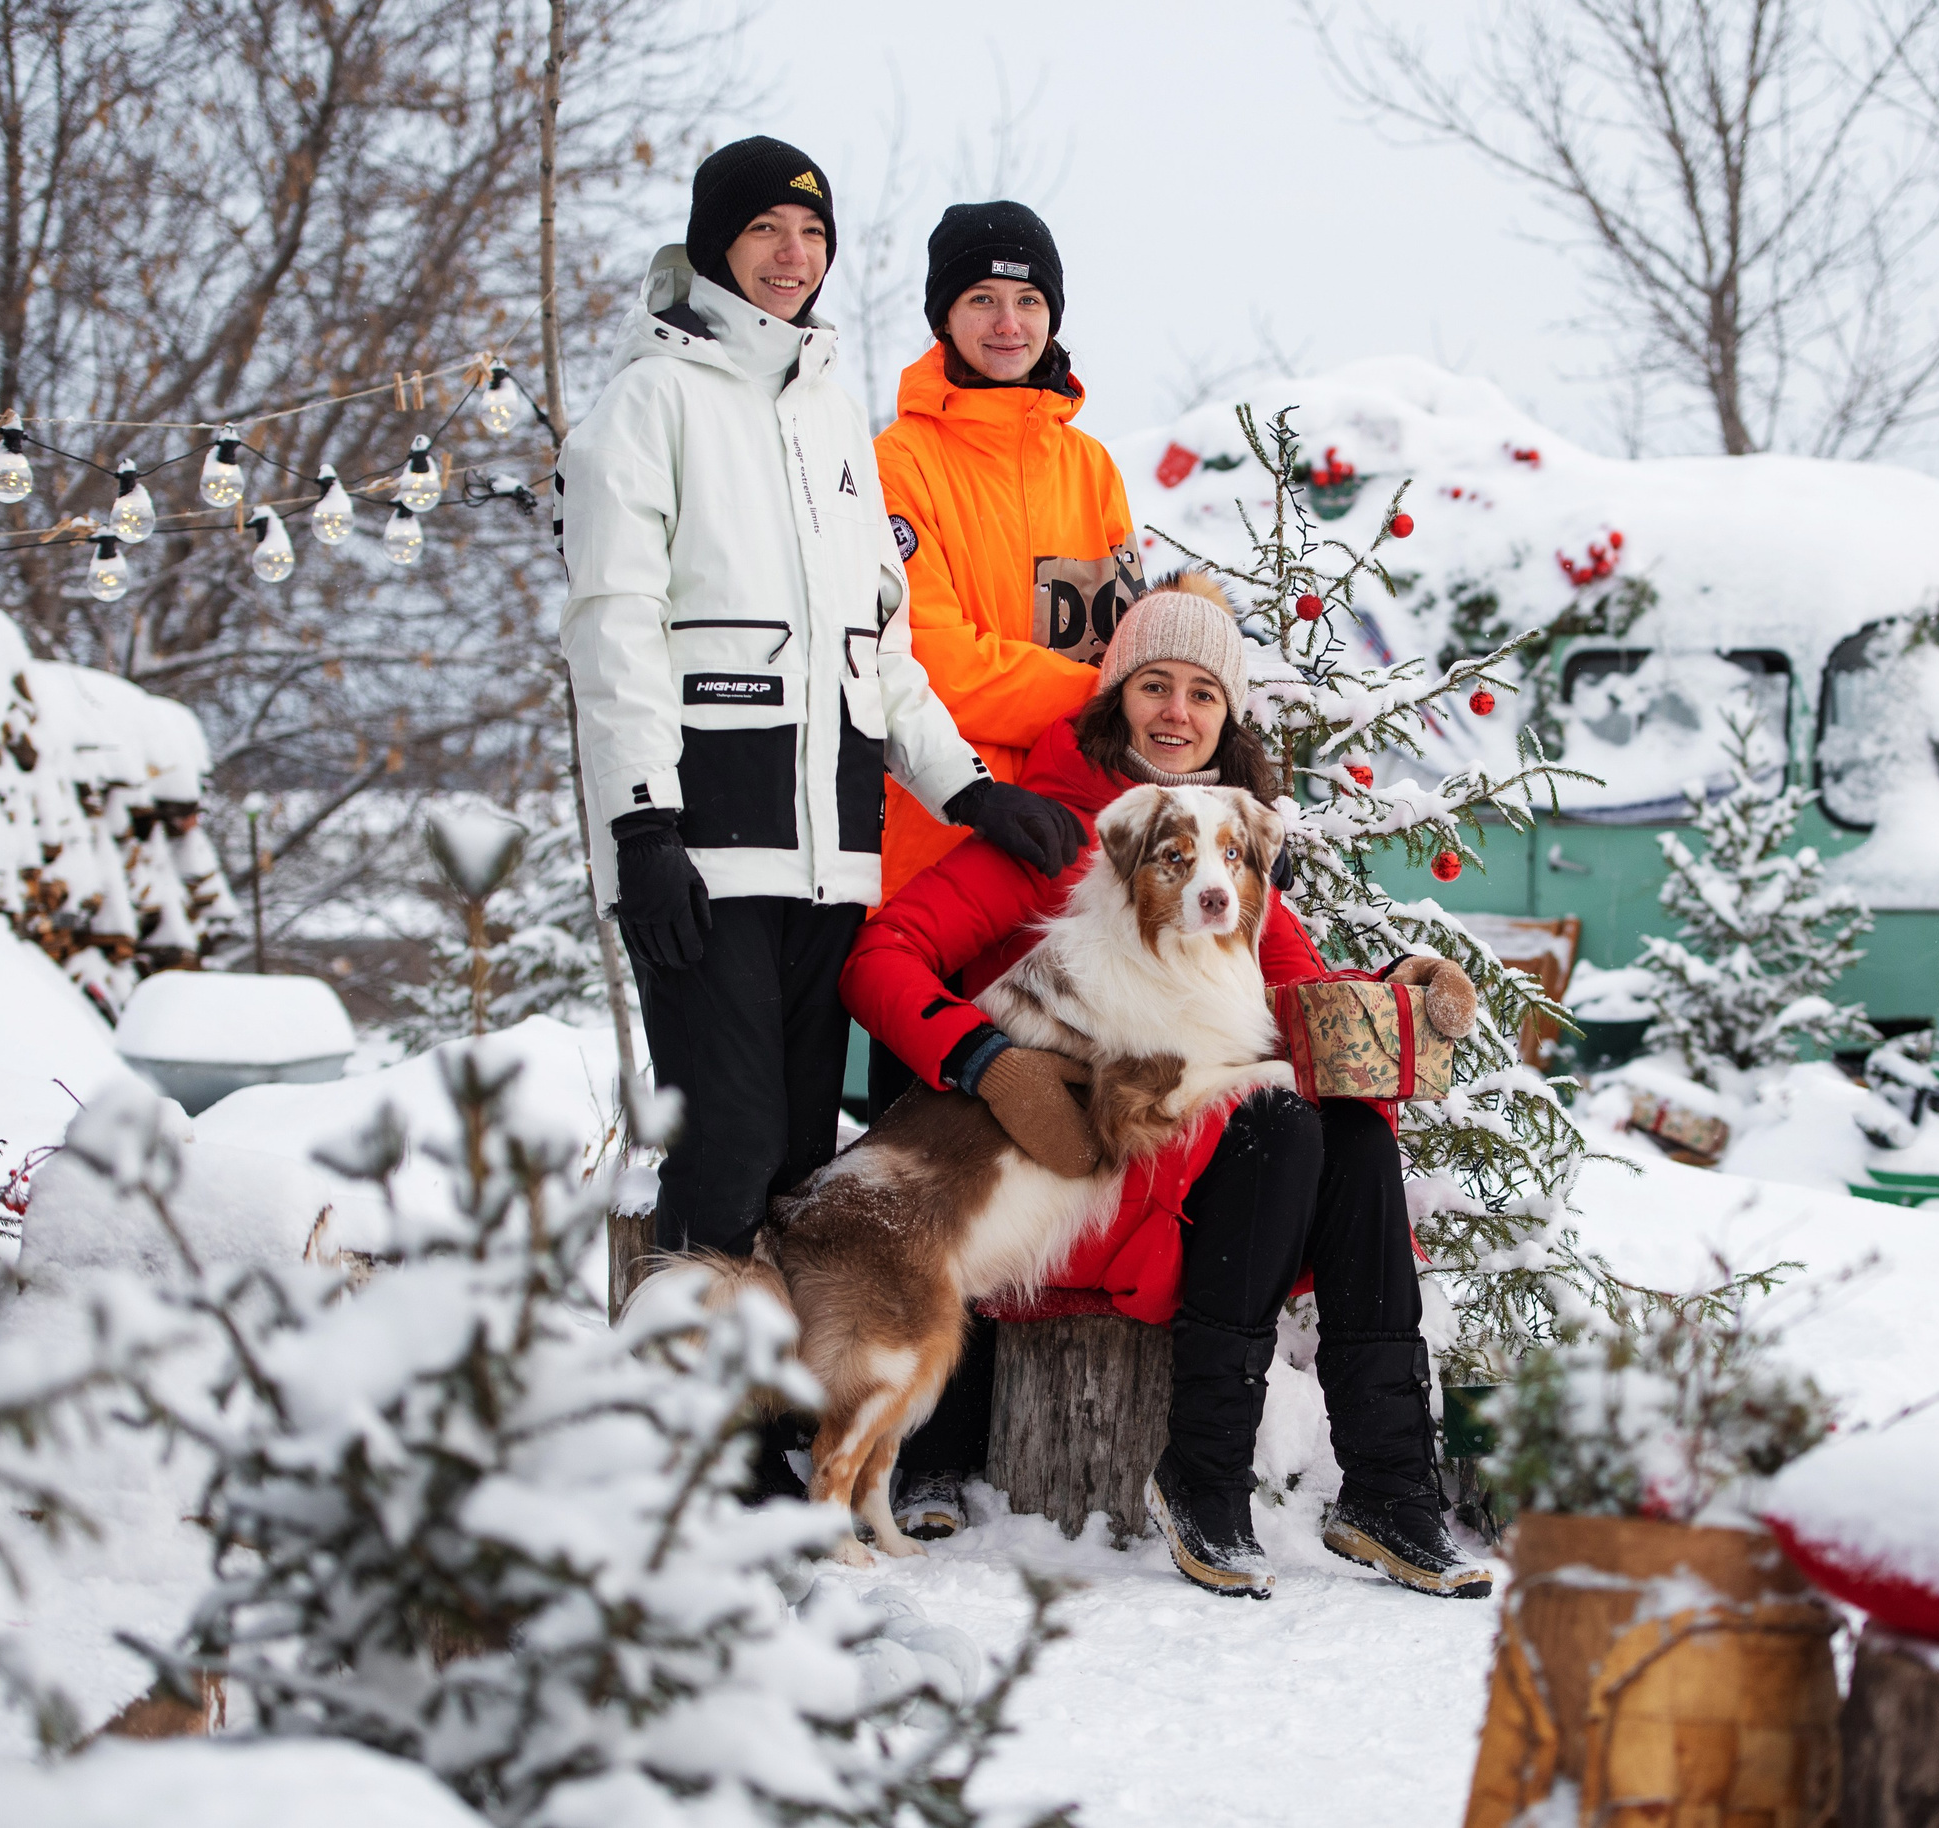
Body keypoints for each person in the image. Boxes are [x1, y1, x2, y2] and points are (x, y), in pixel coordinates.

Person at [840, 575, 1491, 1602]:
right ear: (1115, 697)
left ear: (1228, 717)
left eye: (1202, 692)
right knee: (1280, 1123)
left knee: (1356, 1134)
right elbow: (882, 956)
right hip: (1075, 1158)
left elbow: (1304, 1000)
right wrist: (984, 1061)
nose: (1176, 713)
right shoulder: (1047, 834)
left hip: (1189, 1176)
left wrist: (1395, 1000)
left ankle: (1388, 1487)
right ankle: (1205, 1474)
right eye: (1154, 685)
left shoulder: (1225, 849)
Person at [558, 137, 1085, 1267]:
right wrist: (641, 823)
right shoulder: (646, 405)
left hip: (832, 850)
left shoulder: (828, 417)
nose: (792, 256)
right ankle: (706, 1426)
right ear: (712, 245)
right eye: (763, 231)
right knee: (730, 1138)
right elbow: (613, 629)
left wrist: (970, 791)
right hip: (700, 846)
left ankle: (790, 1421)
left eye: (811, 235)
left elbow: (879, 646)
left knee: (802, 1149)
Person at [863, 201, 1145, 1535]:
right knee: (923, 1156)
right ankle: (917, 1450)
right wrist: (1092, 688)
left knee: (1028, 1145)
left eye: (1028, 302)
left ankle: (1002, 1451)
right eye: (982, 300)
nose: (1007, 322)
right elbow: (929, 654)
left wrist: (1112, 698)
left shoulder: (1090, 470)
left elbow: (1127, 659)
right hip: (941, 846)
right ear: (943, 315)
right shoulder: (894, 463)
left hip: (1071, 862)